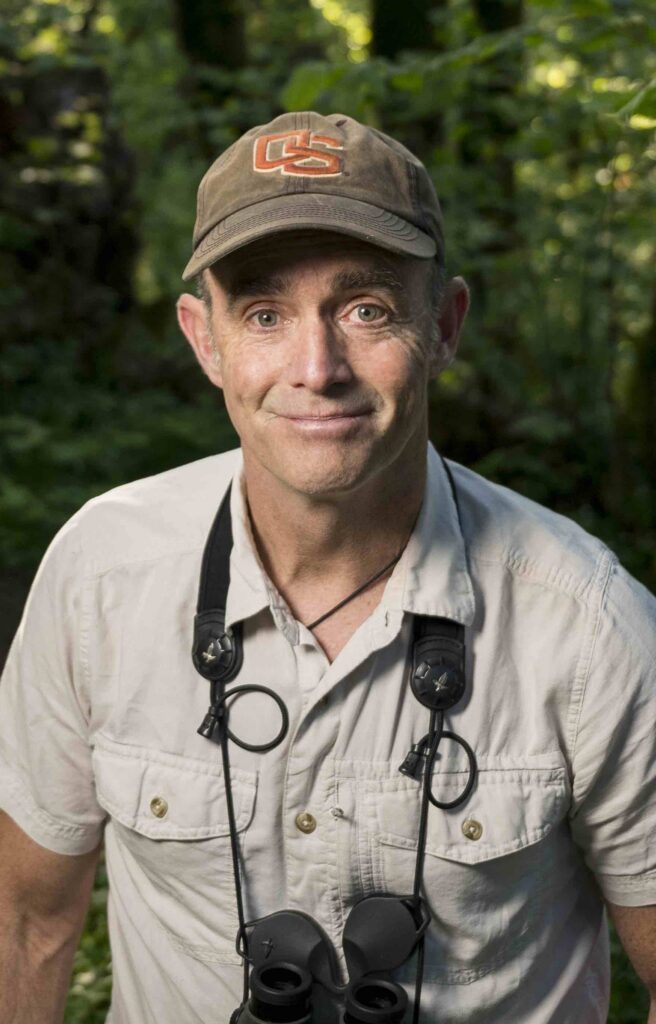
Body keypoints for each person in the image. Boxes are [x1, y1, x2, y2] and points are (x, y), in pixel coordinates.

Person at [0, 110, 655, 1024]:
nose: (317, 366)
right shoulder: (101, 575)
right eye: (265, 313)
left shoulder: (589, 623)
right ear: (205, 339)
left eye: (367, 309)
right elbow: (25, 922)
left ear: (446, 325)